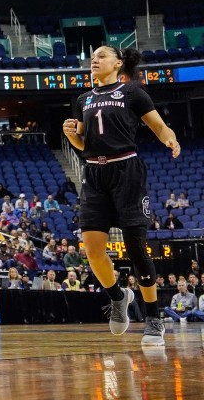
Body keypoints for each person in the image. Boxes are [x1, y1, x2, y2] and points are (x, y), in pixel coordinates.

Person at [63, 46, 180, 346]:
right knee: (92, 249)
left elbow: (158, 126)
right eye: (93, 57)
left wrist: (171, 140)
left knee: (135, 247)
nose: (95, 59)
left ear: (117, 63)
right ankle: (119, 297)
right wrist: (71, 136)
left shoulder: (132, 92)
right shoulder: (82, 100)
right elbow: (83, 145)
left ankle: (154, 317)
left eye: (102, 55)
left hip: (126, 170)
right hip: (94, 173)